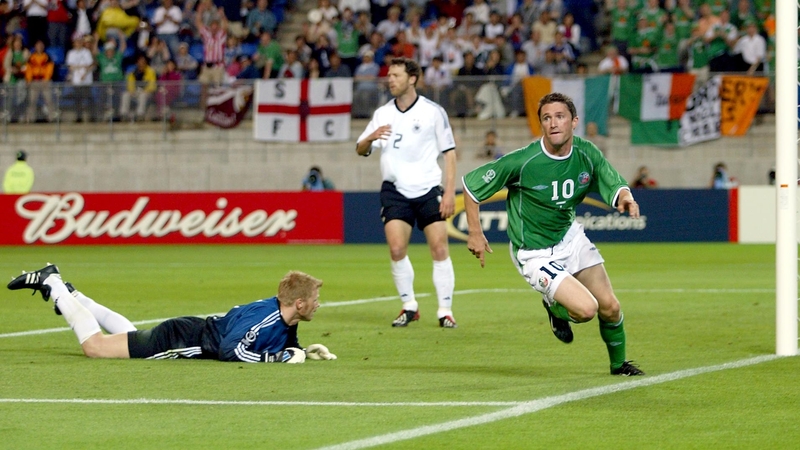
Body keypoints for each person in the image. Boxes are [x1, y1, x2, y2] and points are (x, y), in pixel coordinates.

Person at [461, 92, 645, 376]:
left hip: (569, 238)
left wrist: (625, 195)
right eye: (546, 118)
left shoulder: (587, 153)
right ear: (541, 125)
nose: (553, 123)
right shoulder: (523, 161)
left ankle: (619, 365)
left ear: (574, 122)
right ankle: (554, 307)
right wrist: (475, 233)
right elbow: (471, 188)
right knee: (585, 310)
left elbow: (612, 179)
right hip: (534, 252)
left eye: (560, 117)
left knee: (610, 306)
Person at [7, 263, 337, 363]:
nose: (318, 303)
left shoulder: (282, 316)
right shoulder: (265, 318)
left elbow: (278, 342)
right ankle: (54, 285)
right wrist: (275, 360)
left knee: (127, 335)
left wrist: (304, 351)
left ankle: (76, 296)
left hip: (186, 330)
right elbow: (230, 350)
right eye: (315, 298)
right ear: (298, 304)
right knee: (96, 348)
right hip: (180, 338)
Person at [355, 57, 458, 329]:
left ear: (412, 79)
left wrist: (449, 193)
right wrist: (369, 138)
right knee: (397, 248)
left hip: (427, 189)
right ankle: (409, 305)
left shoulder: (433, 112)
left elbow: (449, 154)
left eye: (396, 75)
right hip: (395, 190)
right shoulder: (383, 114)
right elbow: (361, 150)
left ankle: (445, 310)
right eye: (389, 75)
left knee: (439, 248)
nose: (391, 80)